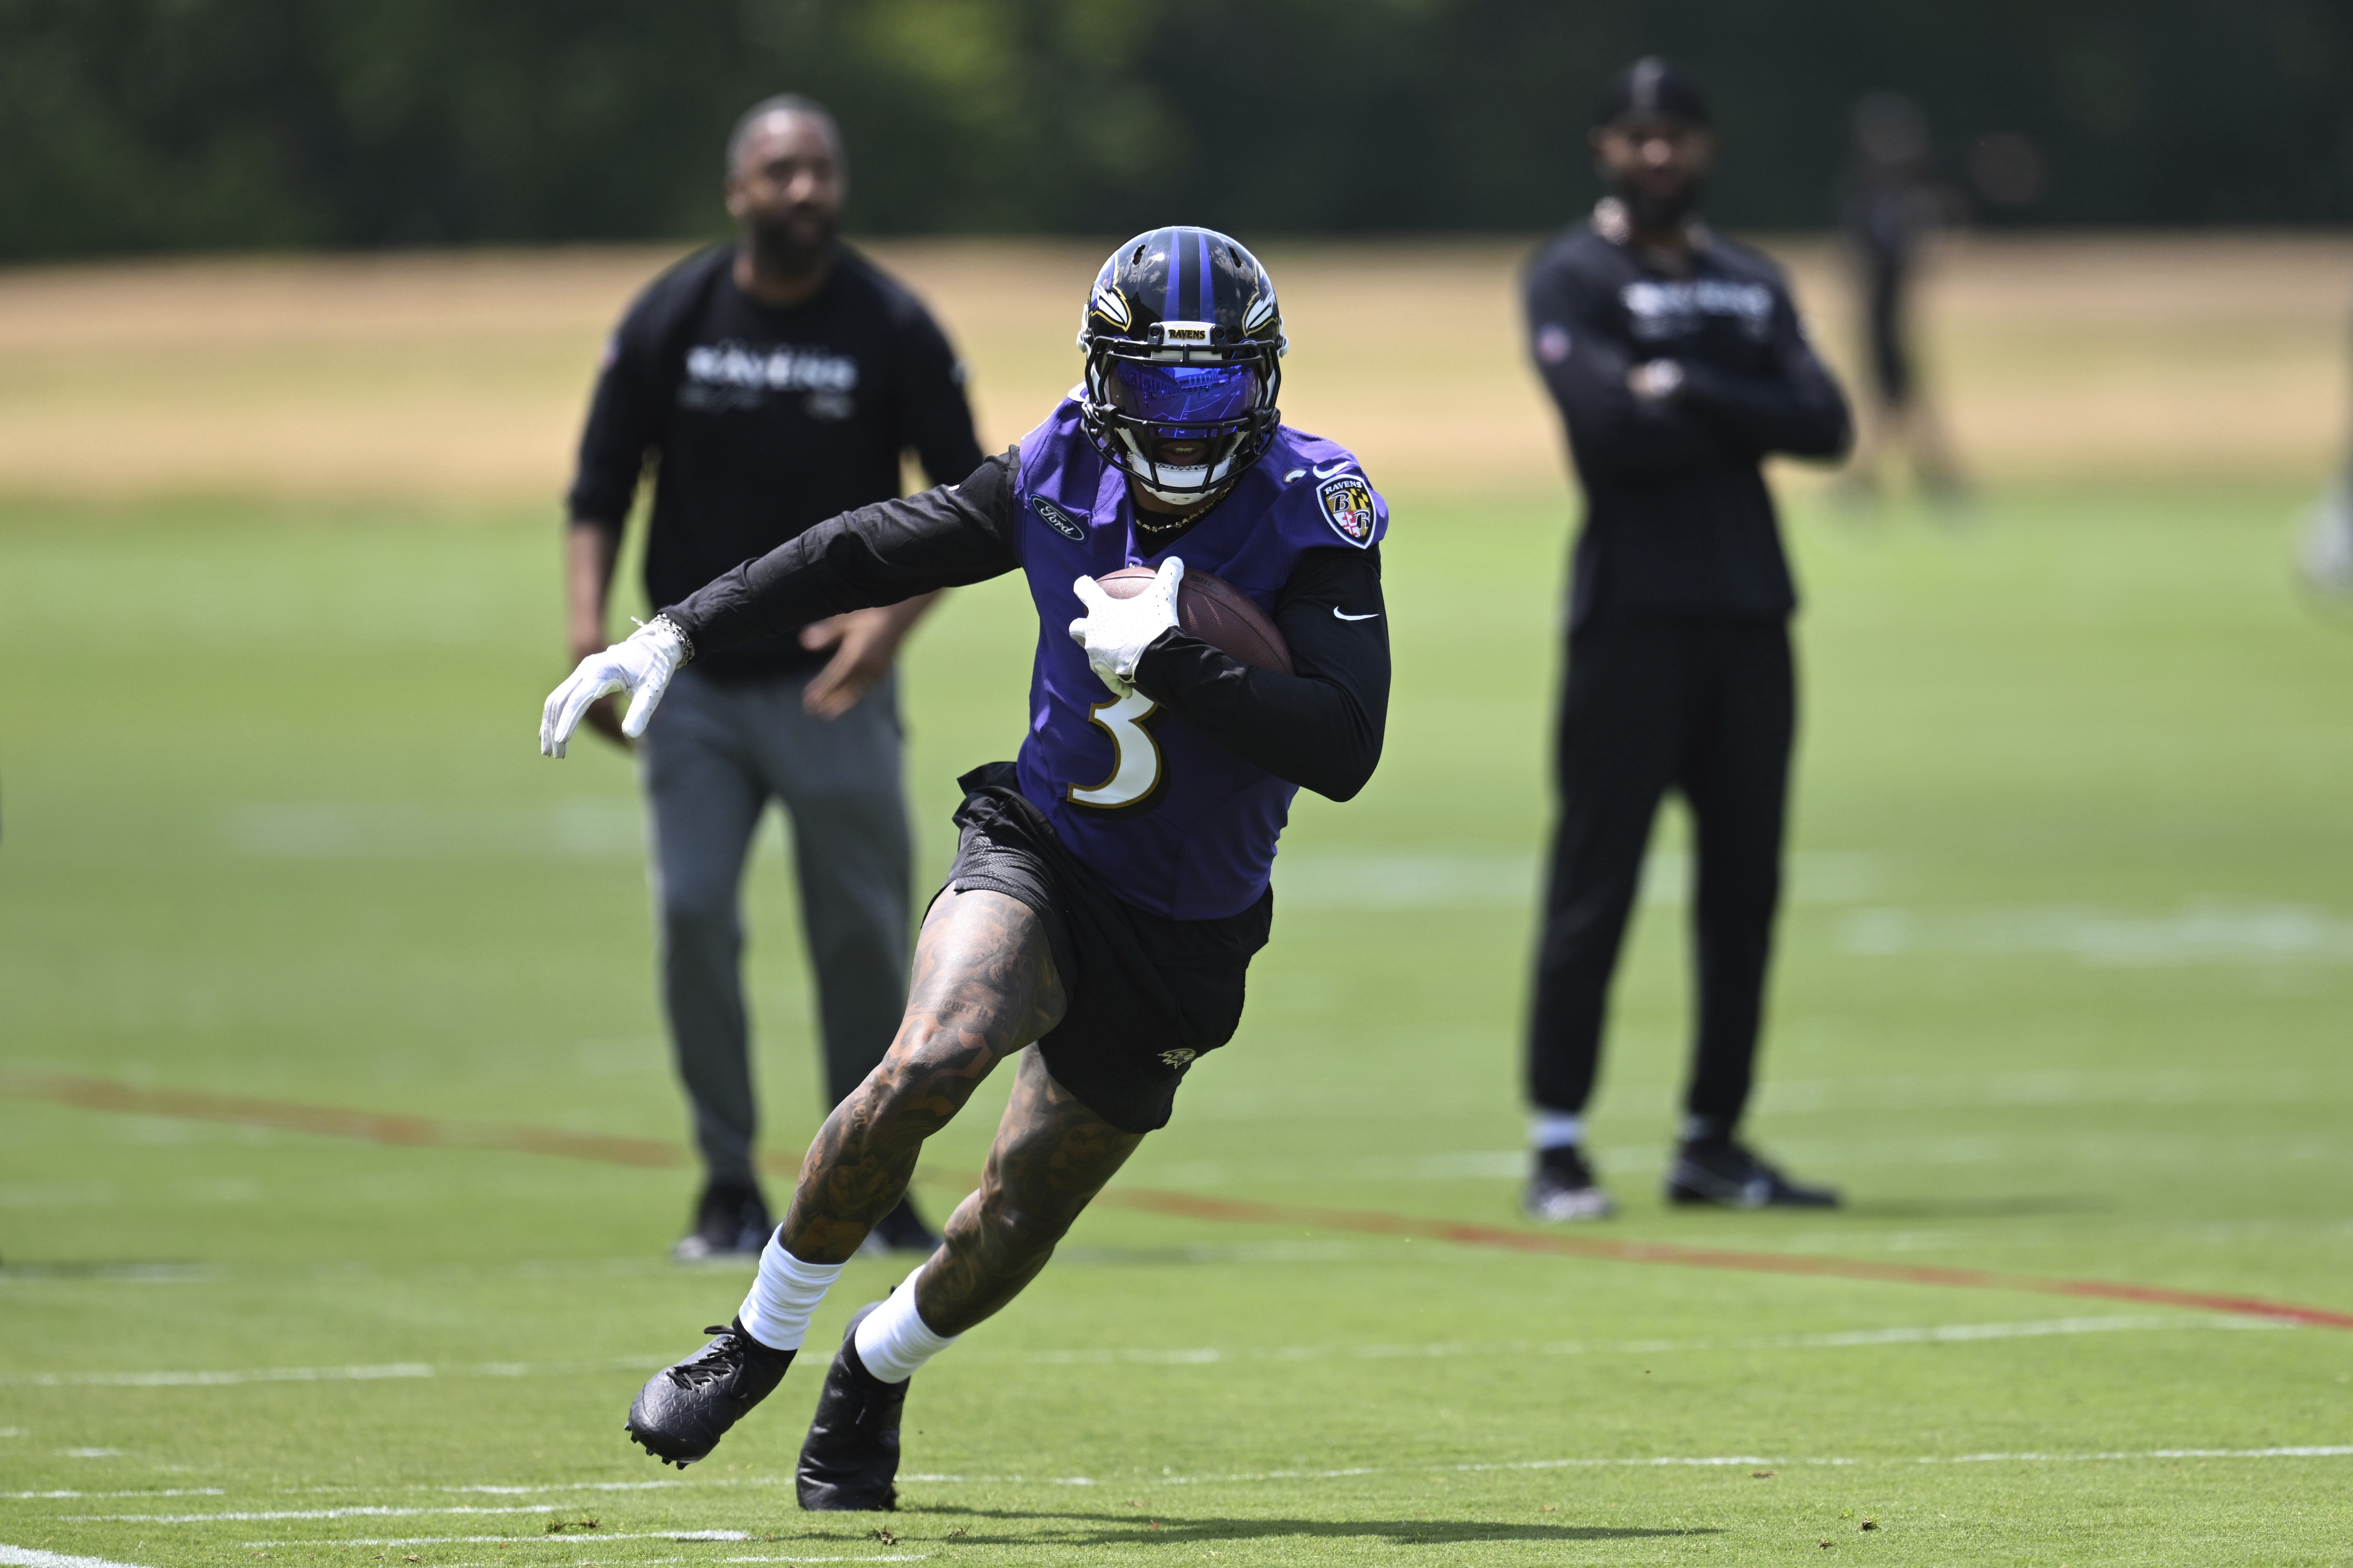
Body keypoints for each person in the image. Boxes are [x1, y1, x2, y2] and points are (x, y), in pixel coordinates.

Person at [540, 226, 1391, 1509]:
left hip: (1190, 923)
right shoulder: (1060, 466)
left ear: (1264, 383)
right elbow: (879, 543)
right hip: (1044, 846)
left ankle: (874, 1365)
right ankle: (757, 1341)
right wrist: (679, 628)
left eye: (1213, 386)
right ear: (1105, 379)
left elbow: (1344, 744)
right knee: (938, 1048)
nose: (1183, 415)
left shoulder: (1313, 505)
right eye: (1157, 385)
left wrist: (1172, 658)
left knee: (1013, 1220)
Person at [563, 95, 983, 1262]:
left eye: (820, 171)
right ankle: (723, 1184)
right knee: (693, 916)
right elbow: (597, 489)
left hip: (832, 685)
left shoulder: (891, 323)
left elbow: (968, 508)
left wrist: (886, 633)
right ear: (737, 190)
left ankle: (869, 1182)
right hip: (693, 690)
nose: (802, 190)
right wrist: (588, 639)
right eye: (778, 172)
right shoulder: (673, 317)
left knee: (859, 937)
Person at [1517, 59, 1852, 1222]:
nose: (1657, 154)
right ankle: (1557, 1142)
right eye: (1636, 135)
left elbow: (1827, 422)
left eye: (1676, 136)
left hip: (1752, 618)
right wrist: (1731, 406)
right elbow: (1608, 430)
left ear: (1704, 149)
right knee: (1593, 882)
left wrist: (1688, 387)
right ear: (1604, 147)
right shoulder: (1570, 274)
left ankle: (1713, 1140)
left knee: (1744, 890)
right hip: (1630, 621)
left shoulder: (1749, 282)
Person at [1836, 90, 1966, 504]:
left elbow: (1927, 255)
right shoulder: (1864, 200)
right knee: (1888, 403)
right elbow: (1853, 259)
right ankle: (1917, 482)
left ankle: (1924, 482)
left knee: (1902, 402)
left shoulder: (1912, 201)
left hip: (1896, 318)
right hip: (1874, 317)